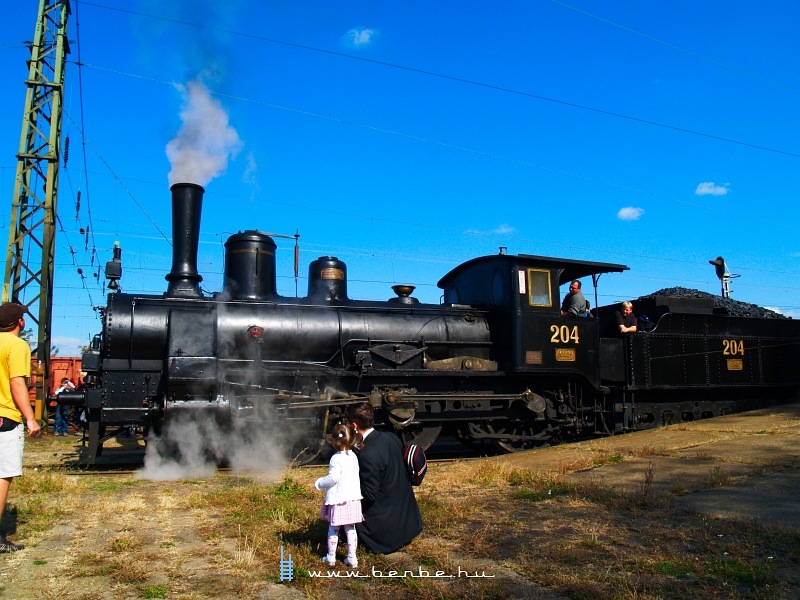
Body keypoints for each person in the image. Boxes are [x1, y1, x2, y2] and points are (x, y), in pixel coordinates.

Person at [346, 402, 422, 554]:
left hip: (386, 535)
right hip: (408, 523)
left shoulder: (368, 454)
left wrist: (345, 485)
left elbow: (369, 494)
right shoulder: (391, 437)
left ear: (354, 426)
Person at [0, 302, 41, 553]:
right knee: (2, 477)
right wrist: (30, 418)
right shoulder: (17, 345)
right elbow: (17, 384)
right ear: (20, 322)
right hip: (5, 417)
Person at [314, 422, 364, 568]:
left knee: (333, 528)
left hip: (339, 499)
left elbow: (333, 478)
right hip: (353, 498)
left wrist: (319, 483)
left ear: (335, 440)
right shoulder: (353, 456)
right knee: (351, 528)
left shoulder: (336, 458)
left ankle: (331, 557)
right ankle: (352, 558)